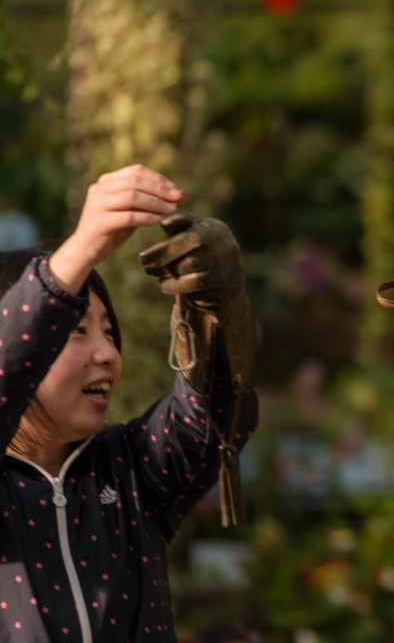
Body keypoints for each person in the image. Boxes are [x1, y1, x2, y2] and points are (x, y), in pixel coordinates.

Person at [0, 164, 258, 642]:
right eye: (74, 331)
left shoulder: (132, 469)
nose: (107, 354)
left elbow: (216, 415)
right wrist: (78, 252)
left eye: (109, 332)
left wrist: (217, 309)